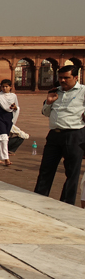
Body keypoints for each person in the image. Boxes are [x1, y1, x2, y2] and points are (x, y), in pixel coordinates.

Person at [34, 65, 85, 205]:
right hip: (54, 135)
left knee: (72, 172)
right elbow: (45, 113)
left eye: (66, 77)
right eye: (60, 77)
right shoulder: (55, 91)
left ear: (76, 77)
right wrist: (49, 102)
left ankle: (67, 203)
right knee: (46, 168)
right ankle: (39, 198)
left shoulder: (83, 91)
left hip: (74, 134)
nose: (62, 80)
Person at [0, 79, 19, 166]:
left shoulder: (13, 96)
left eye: (6, 86)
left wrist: (15, 107)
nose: (4, 88)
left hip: (8, 118)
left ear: (10, 87)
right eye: (3, 86)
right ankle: (6, 158)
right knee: (4, 138)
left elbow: (17, 107)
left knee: (4, 138)